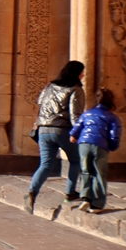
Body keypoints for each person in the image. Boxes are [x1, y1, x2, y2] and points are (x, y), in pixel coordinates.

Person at [25, 60, 87, 214]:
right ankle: (70, 192)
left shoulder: (49, 87)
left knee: (45, 164)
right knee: (75, 160)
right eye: (82, 71)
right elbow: (75, 115)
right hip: (62, 130)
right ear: (77, 73)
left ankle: (32, 191)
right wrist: (77, 133)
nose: (84, 75)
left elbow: (40, 106)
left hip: (43, 130)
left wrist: (38, 125)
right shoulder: (76, 90)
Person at [70, 89, 122, 212]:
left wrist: (73, 136)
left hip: (83, 144)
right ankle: (97, 204)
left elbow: (75, 129)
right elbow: (114, 136)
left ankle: (86, 197)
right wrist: (112, 146)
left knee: (86, 171)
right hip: (100, 145)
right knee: (99, 174)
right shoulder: (112, 117)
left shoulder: (87, 114)